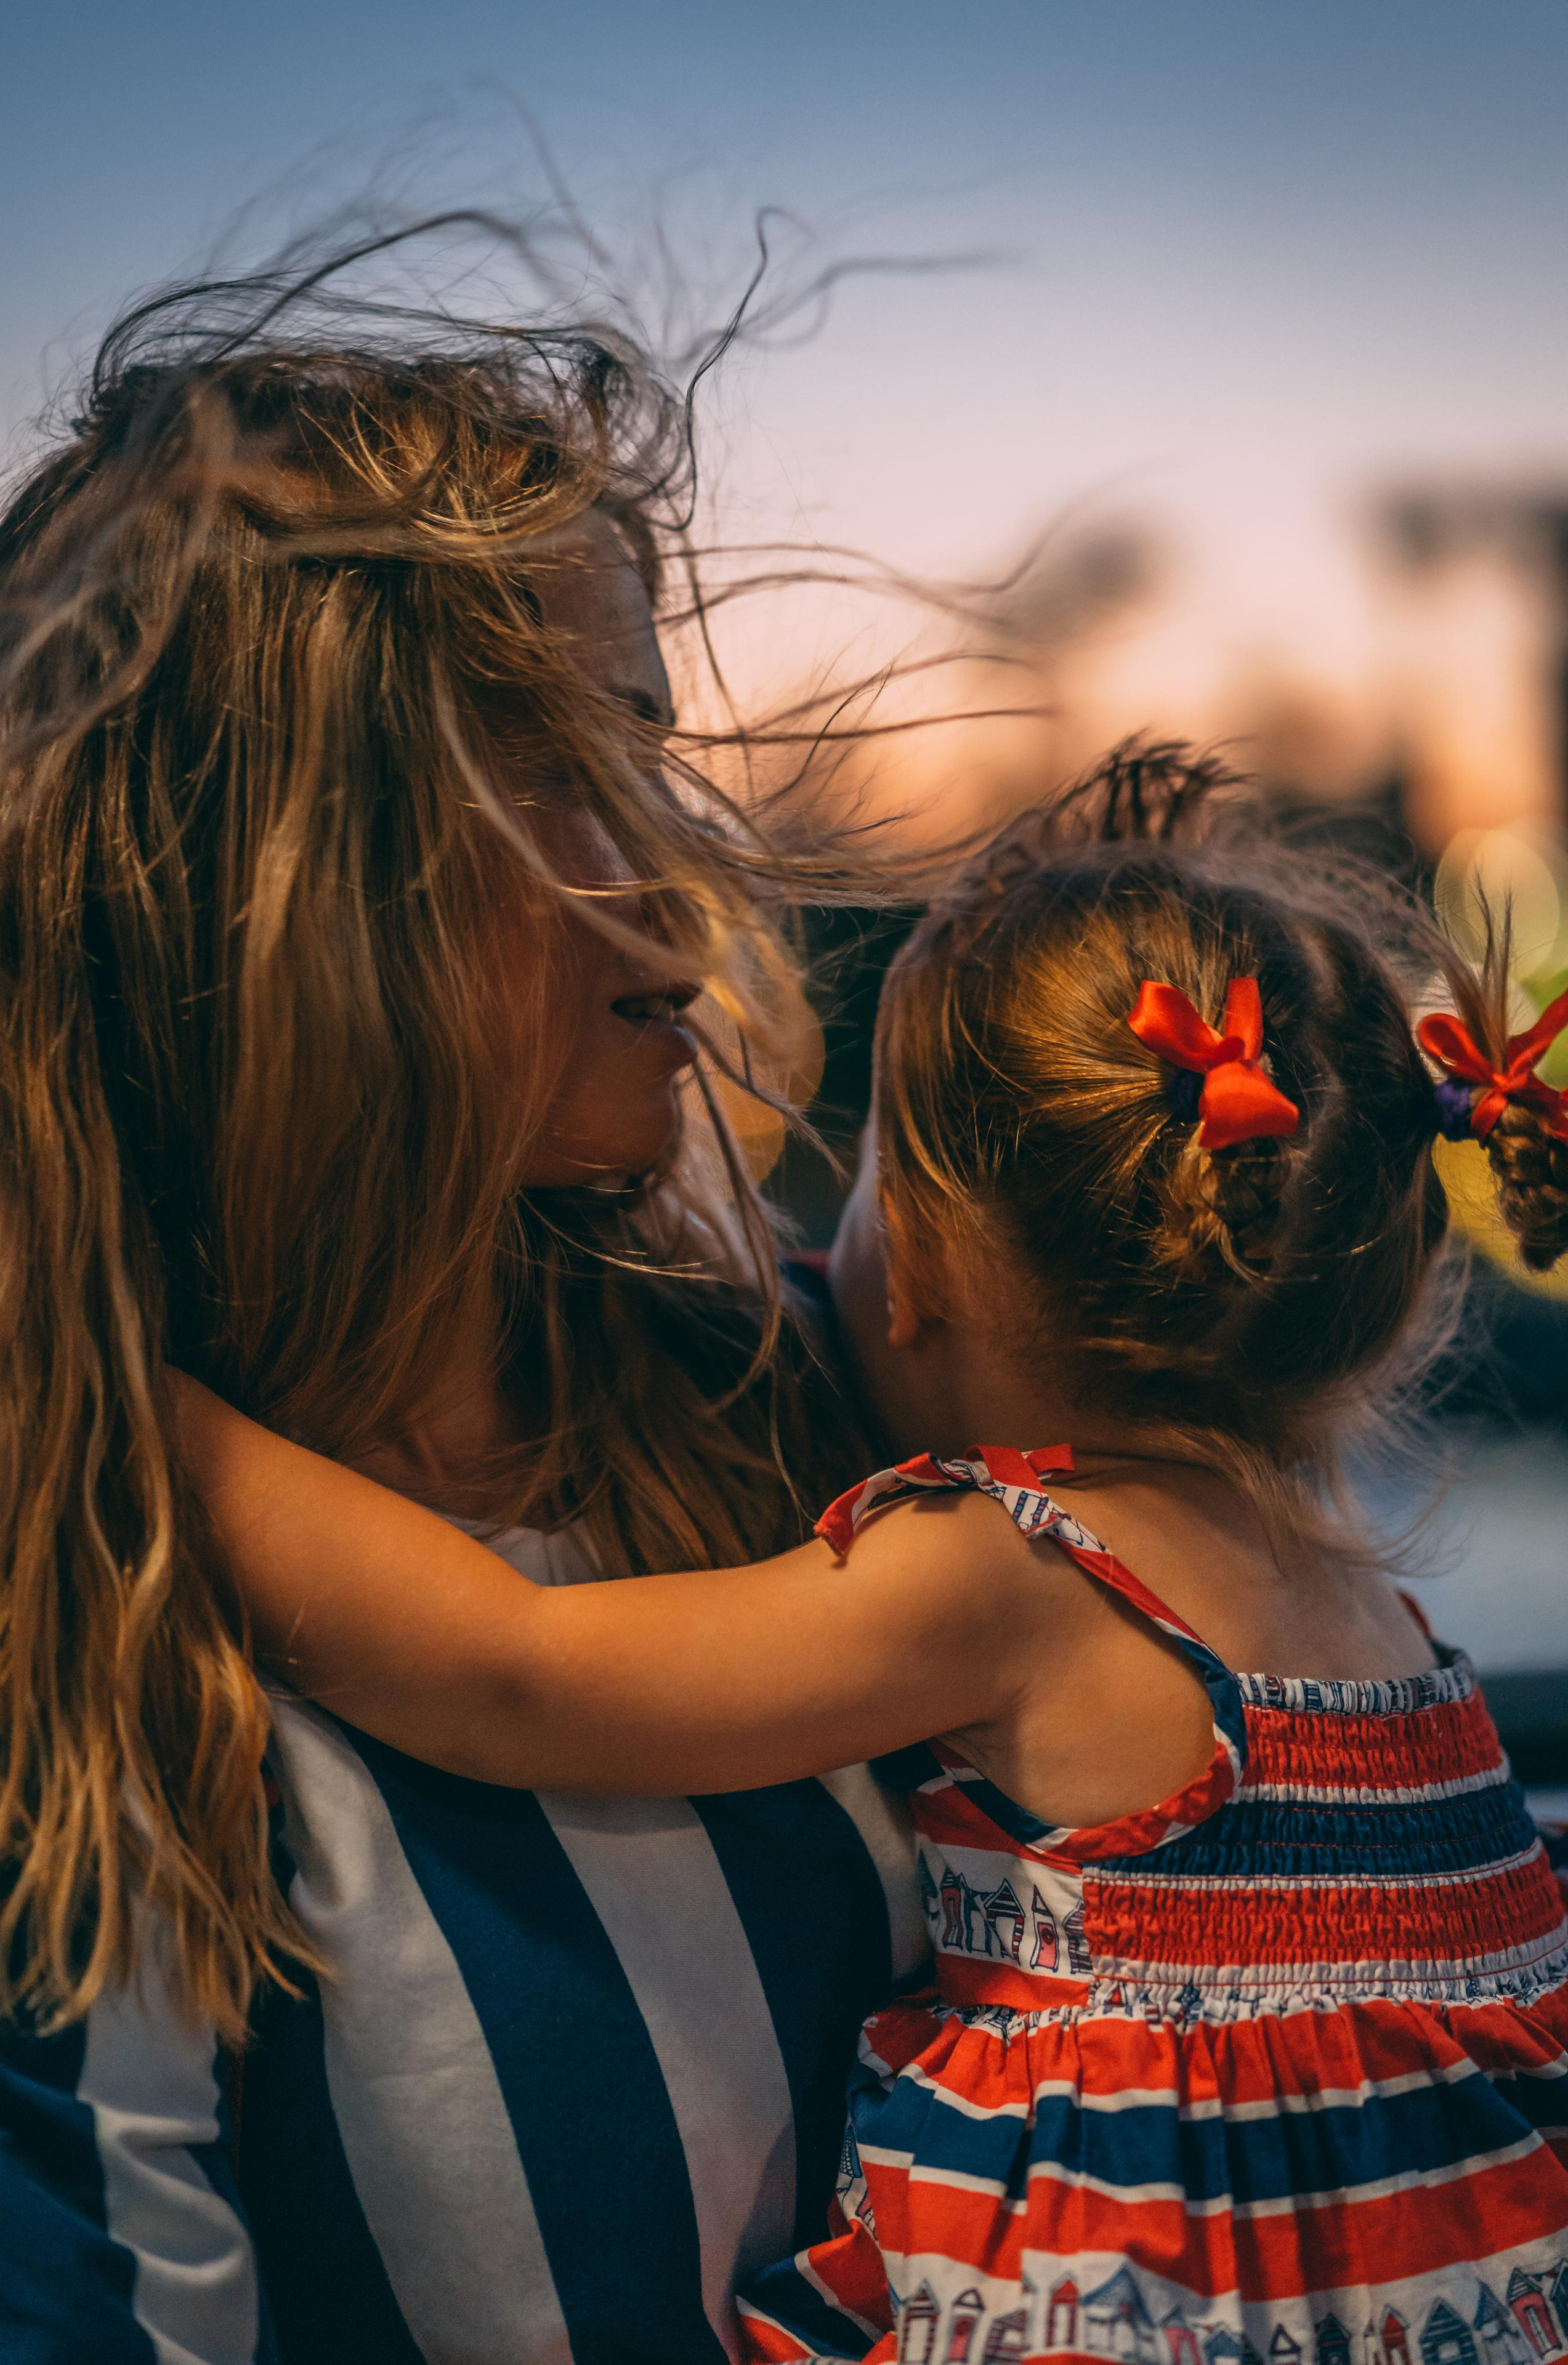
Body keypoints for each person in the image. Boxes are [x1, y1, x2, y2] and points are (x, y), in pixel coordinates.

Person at [176, 750, 1568, 2359]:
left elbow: (518, 1668)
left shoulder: (1014, 1569)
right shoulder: (1375, 1613)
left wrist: (147, 1413)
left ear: (916, 1267)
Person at [0, 244, 924, 2365]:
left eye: (651, 741)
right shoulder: (70, 1610)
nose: (681, 863)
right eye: (559, 761)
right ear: (286, 872)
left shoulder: (809, 1413)